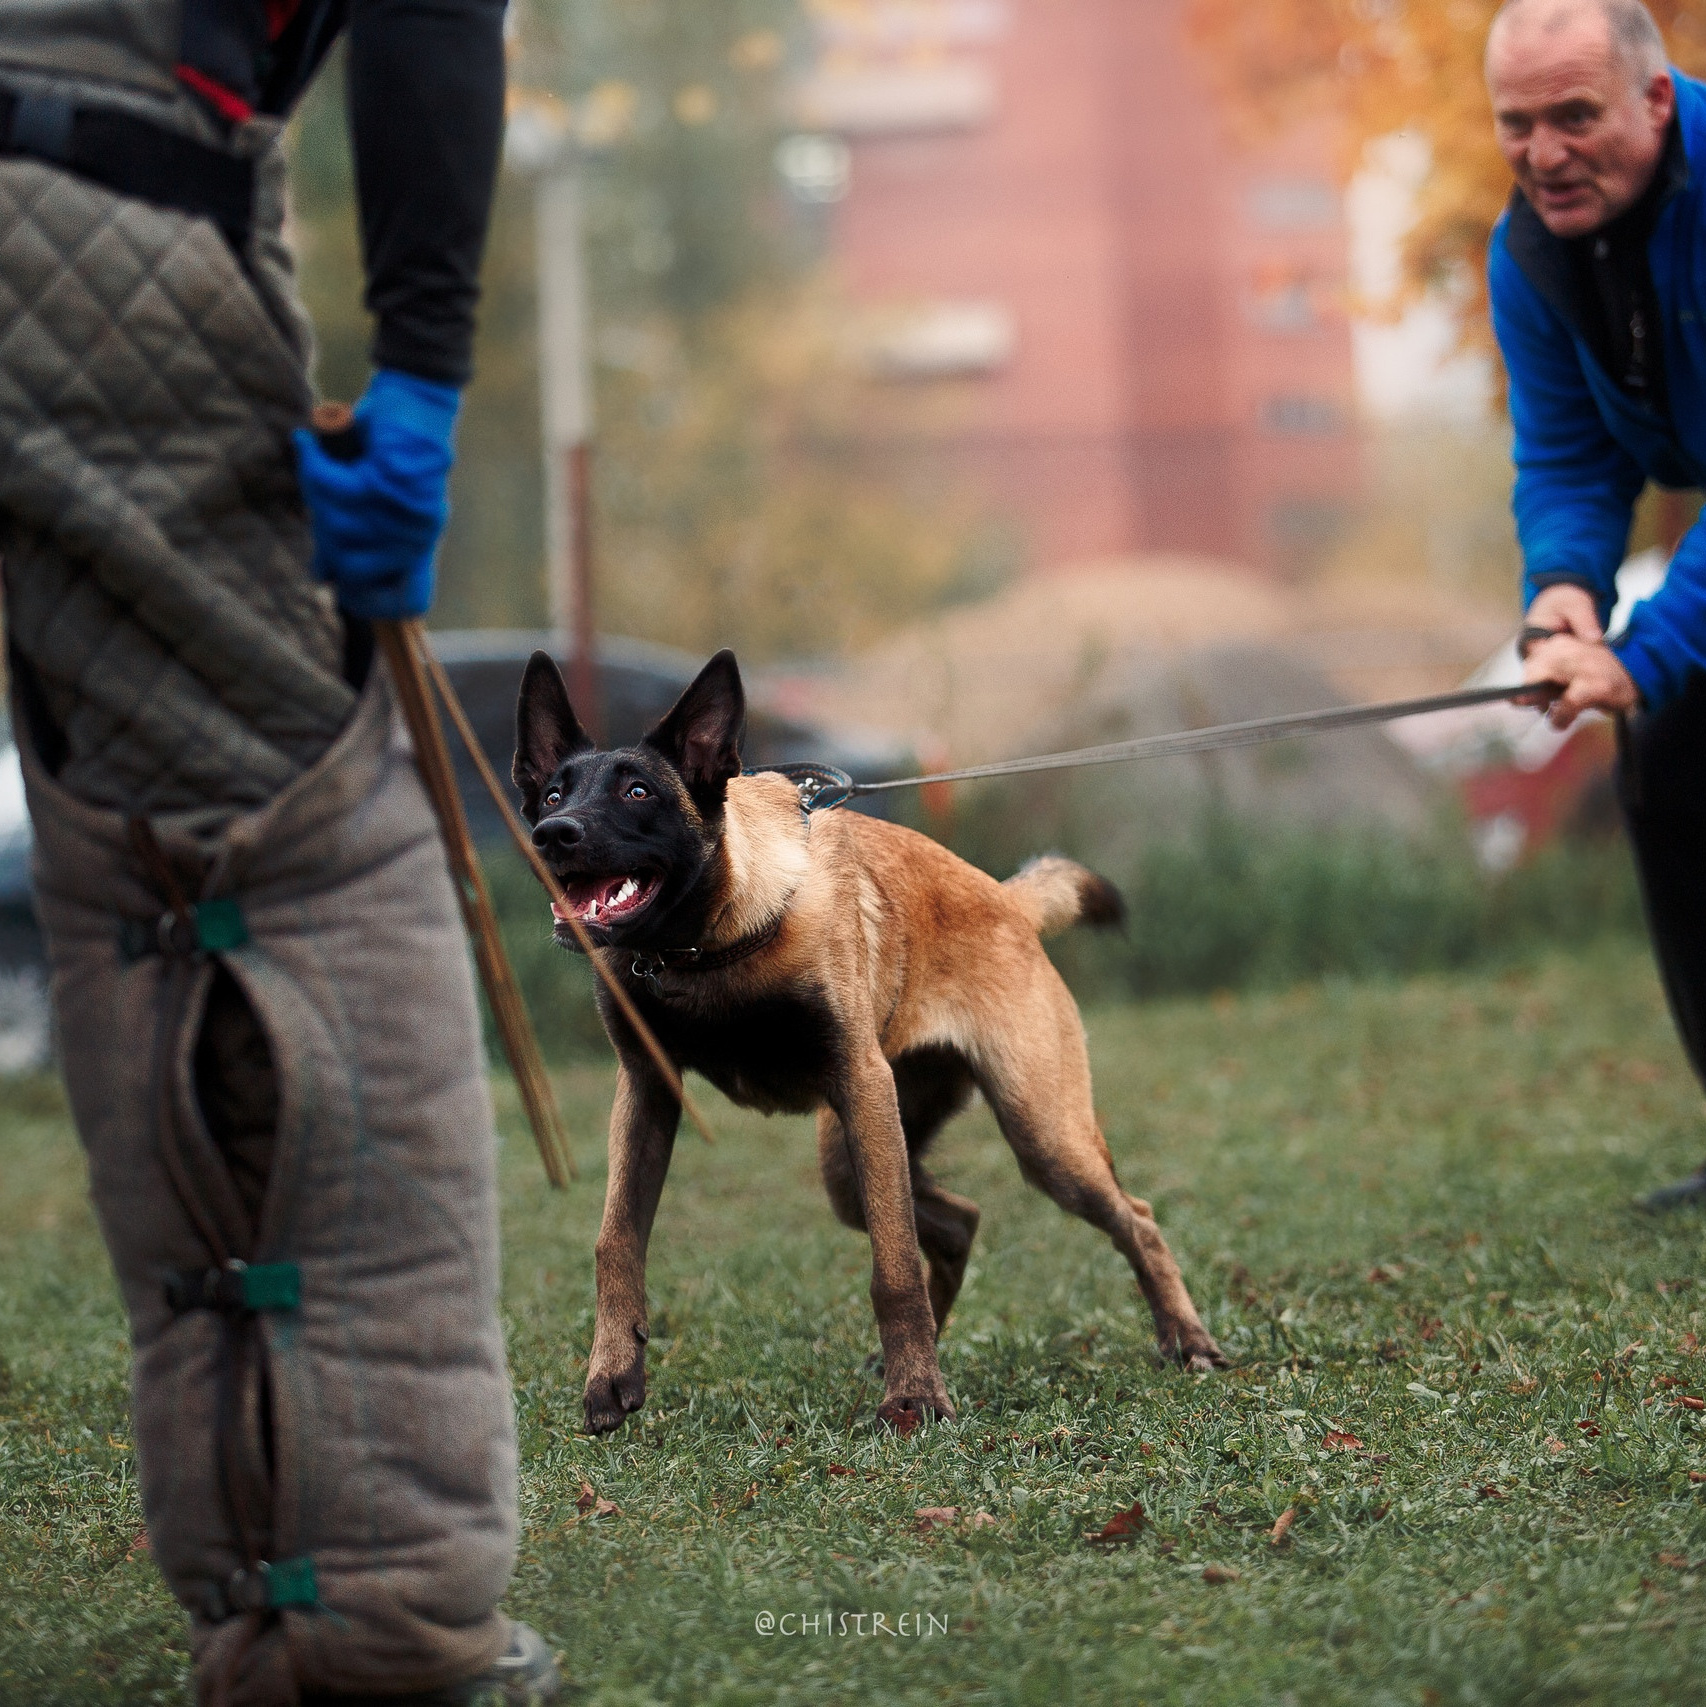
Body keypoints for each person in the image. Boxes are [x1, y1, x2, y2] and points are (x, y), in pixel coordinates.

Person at [0, 3, 560, 1702]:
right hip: (85, 204)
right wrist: (425, 371)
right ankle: (373, 1619)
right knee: (285, 866)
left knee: (120, 860)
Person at [1488, 0, 1706, 1209]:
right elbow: (1568, 457)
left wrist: (1654, 647)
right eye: (1515, 125)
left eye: (1574, 116)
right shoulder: (1528, 251)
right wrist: (1563, 602)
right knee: (1666, 766)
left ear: (1655, 100)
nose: (1543, 152)